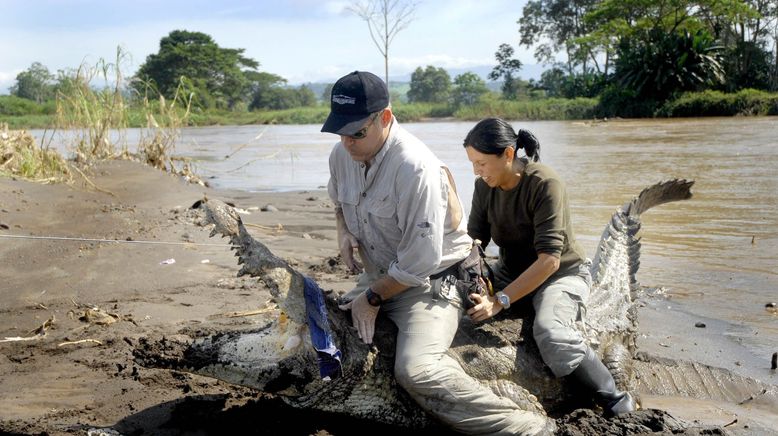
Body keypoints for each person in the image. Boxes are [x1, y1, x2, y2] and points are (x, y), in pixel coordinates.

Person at [323, 71, 555, 435]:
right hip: (381, 272)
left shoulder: (415, 168)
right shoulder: (342, 154)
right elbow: (338, 199)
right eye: (340, 130)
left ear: (384, 118)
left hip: (433, 281)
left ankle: (526, 427)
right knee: (324, 326)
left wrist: (371, 297)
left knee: (416, 369)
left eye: (357, 132)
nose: (347, 142)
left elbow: (421, 261)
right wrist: (344, 233)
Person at [462, 117, 636, 416]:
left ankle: (615, 398)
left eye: (481, 163)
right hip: (512, 269)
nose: (476, 171)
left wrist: (499, 302)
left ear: (507, 154)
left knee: (551, 332)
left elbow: (550, 260)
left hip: (559, 273)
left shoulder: (544, 183)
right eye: (472, 163)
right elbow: (475, 240)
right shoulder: (484, 186)